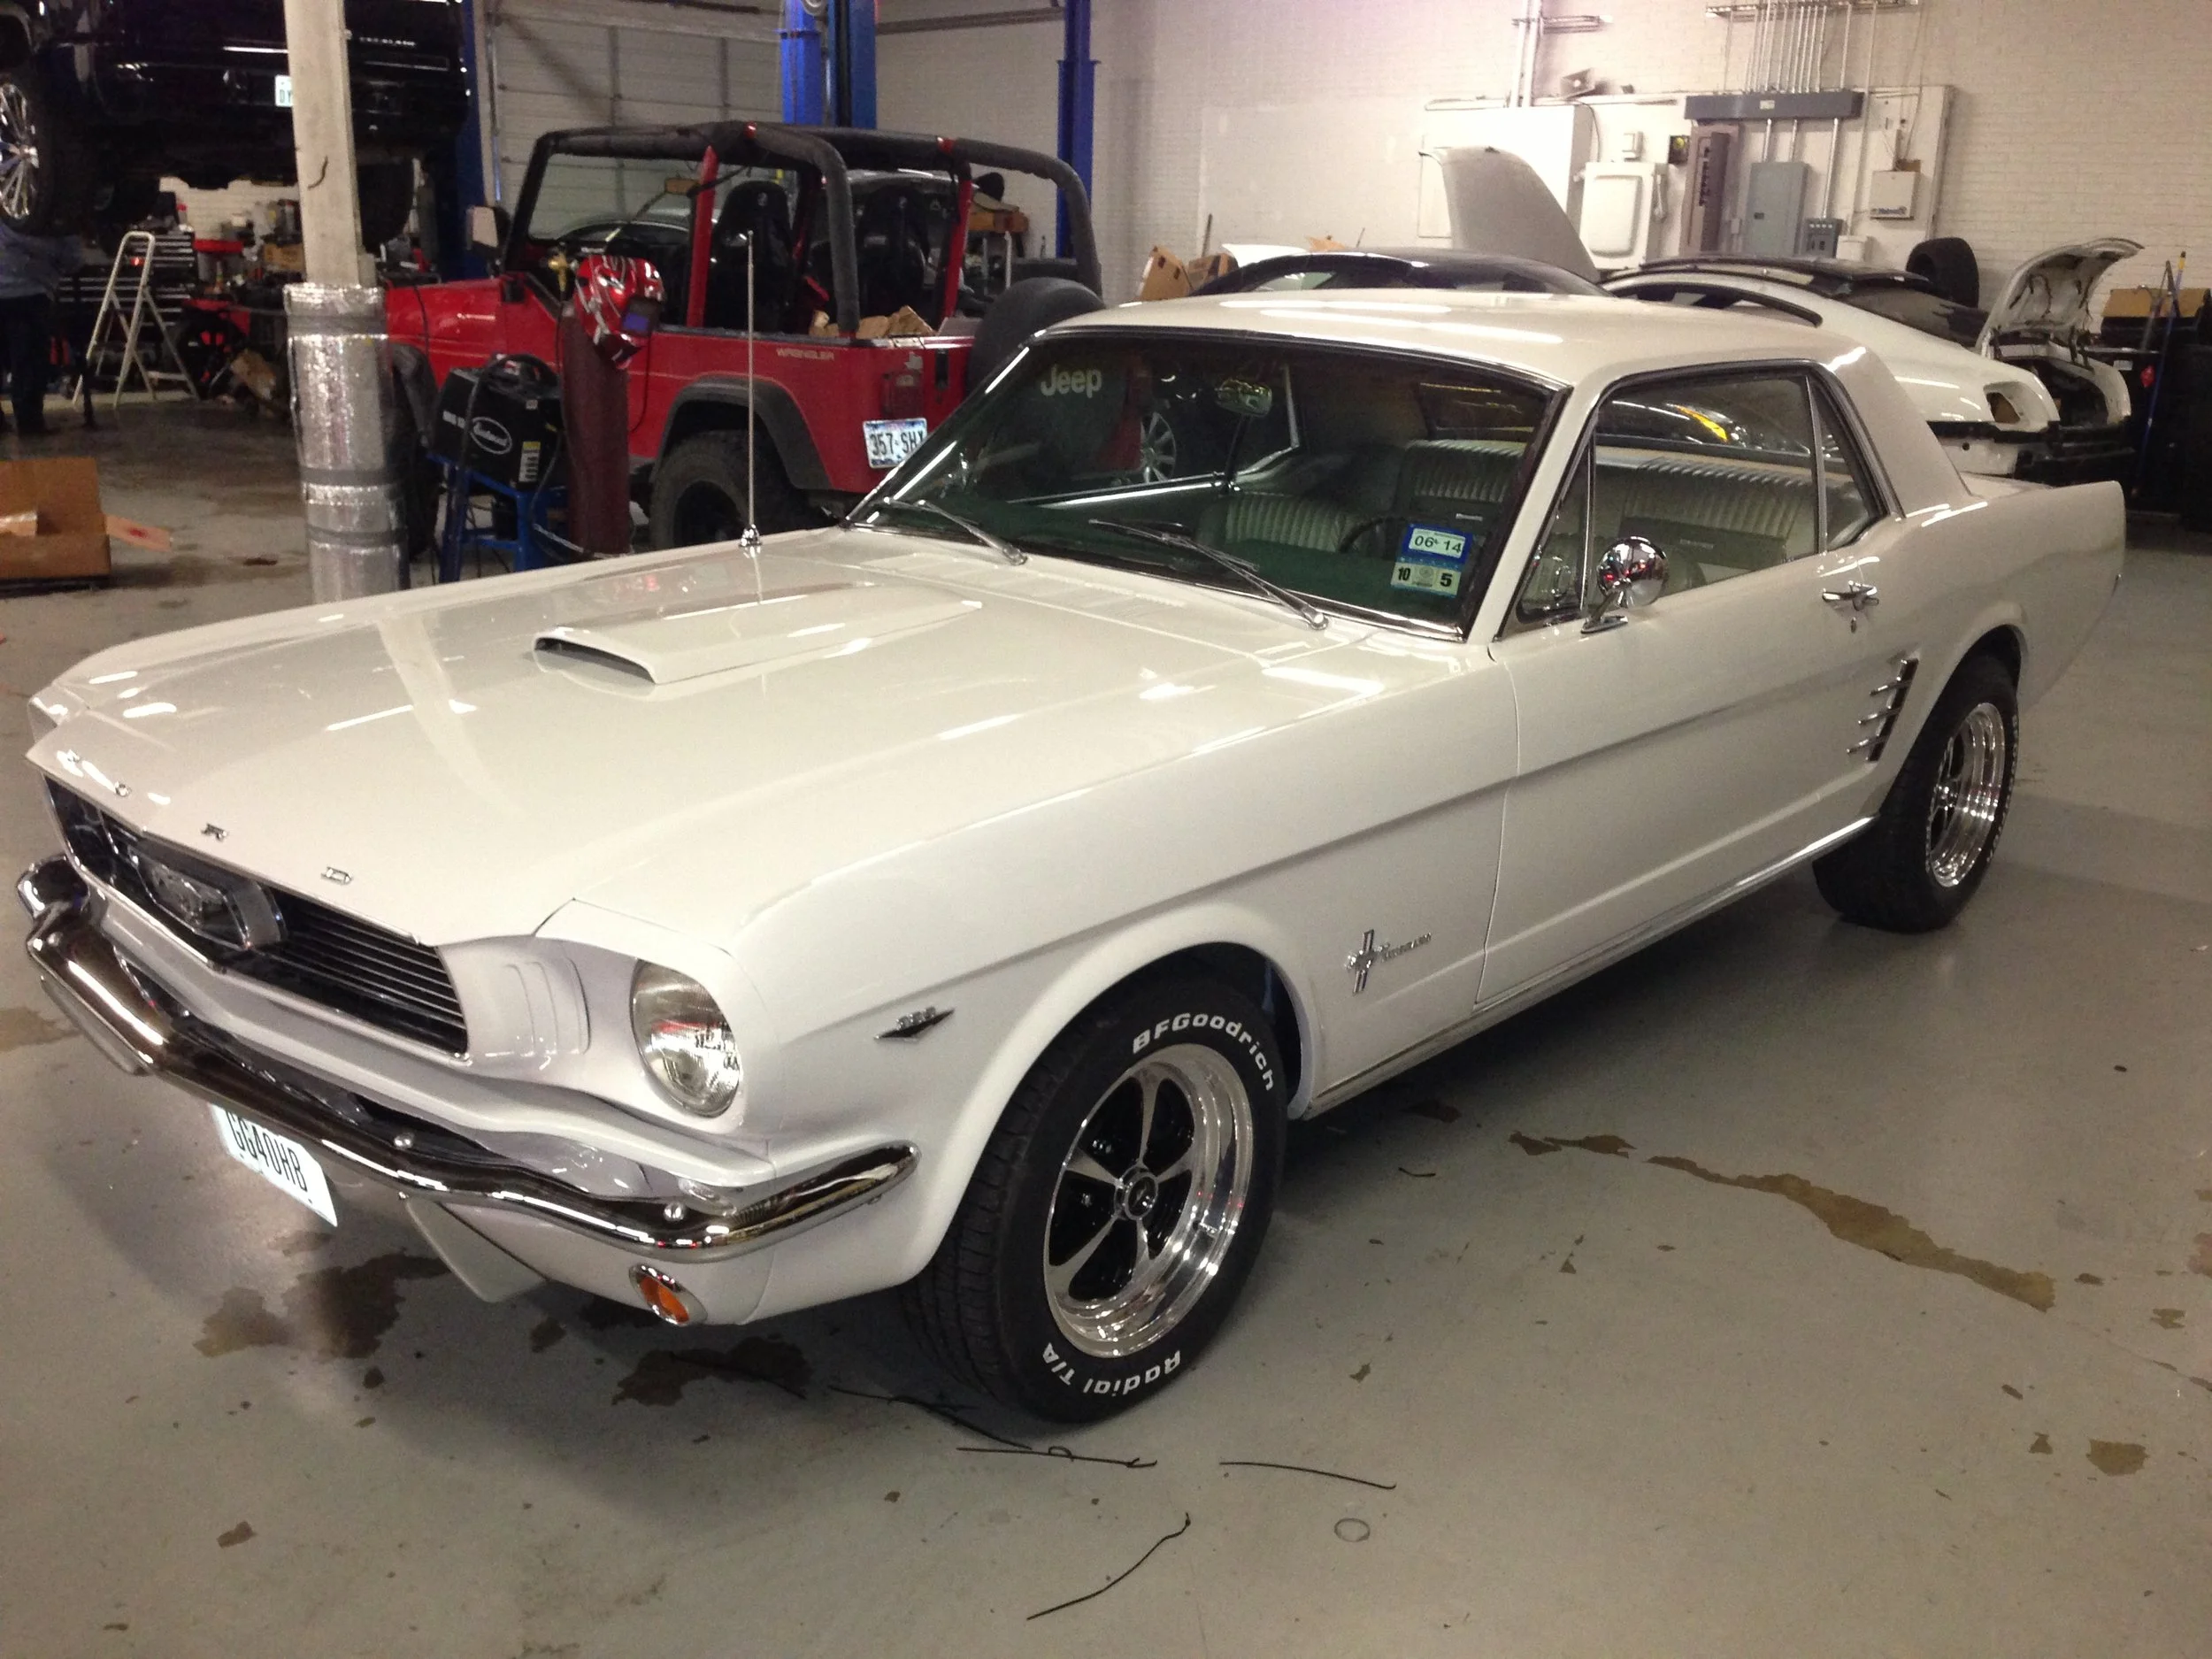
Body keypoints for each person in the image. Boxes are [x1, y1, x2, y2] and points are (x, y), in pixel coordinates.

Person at [0, 224, 86, 436]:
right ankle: (29, 422)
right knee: (29, 362)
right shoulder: (56, 214)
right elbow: (73, 260)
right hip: (31, 293)